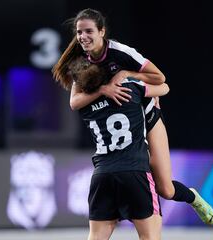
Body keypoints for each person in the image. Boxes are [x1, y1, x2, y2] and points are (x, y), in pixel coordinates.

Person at [52, 8, 213, 226]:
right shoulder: (82, 62)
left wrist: (129, 75)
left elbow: (160, 79)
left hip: (148, 116)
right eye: (79, 32)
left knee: (165, 189)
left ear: (102, 32)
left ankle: (193, 197)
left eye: (89, 31)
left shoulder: (121, 52)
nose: (83, 37)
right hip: (122, 131)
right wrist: (104, 90)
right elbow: (74, 102)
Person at [72, 56, 169, 240]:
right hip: (134, 171)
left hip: (102, 175)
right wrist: (149, 91)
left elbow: (75, 100)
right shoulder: (131, 89)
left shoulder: (84, 107)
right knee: (150, 236)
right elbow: (165, 87)